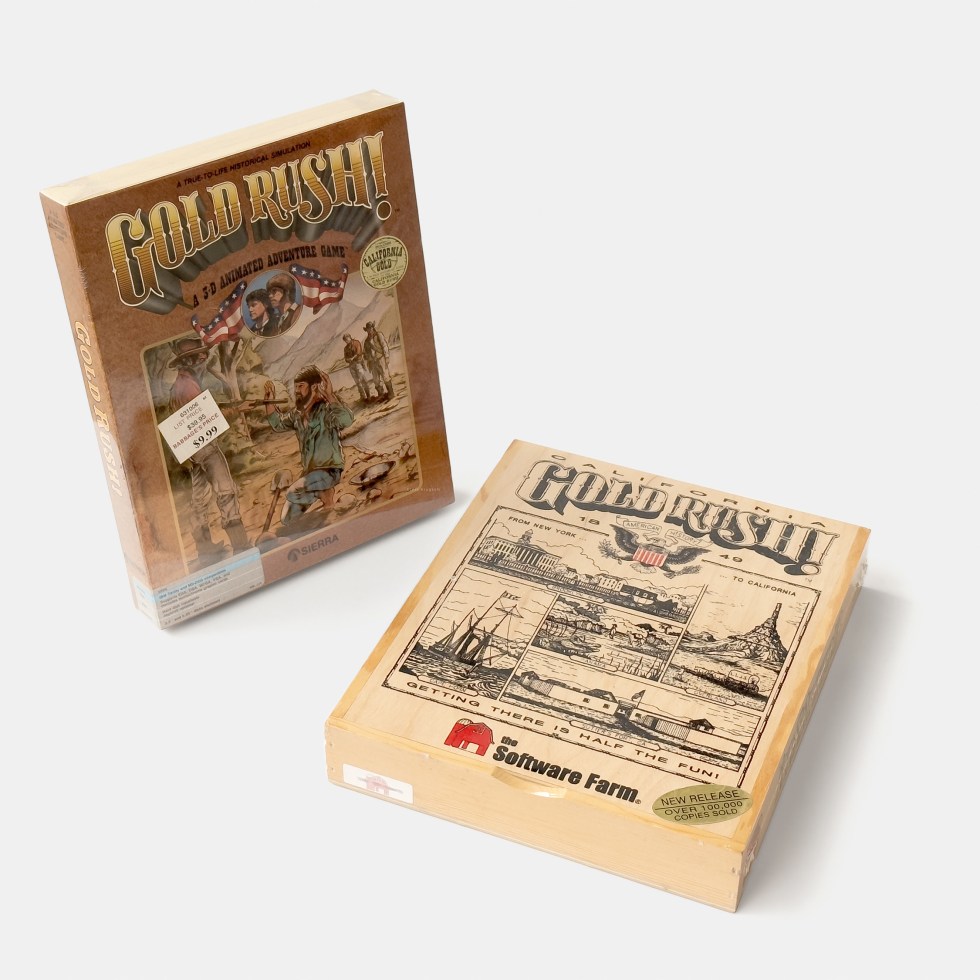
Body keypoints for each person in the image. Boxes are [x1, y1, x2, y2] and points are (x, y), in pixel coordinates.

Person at [167, 337, 249, 559]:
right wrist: (237, 410)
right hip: (204, 446)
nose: (204, 358)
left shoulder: (181, 384)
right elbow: (204, 417)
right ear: (188, 361)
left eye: (203, 354)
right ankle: (241, 546)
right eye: (199, 356)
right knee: (226, 491)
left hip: (193, 450)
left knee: (199, 498)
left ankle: (205, 550)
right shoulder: (188, 386)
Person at [263, 364, 354, 528]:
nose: (297, 391)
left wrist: (330, 395)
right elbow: (278, 424)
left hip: (329, 471)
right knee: (287, 519)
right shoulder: (297, 415)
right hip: (309, 475)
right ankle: (321, 493)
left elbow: (346, 420)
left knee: (292, 492)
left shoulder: (327, 409)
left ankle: (327, 496)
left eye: (301, 386)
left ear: (314, 387)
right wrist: (269, 400)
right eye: (296, 387)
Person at [363, 320, 394, 401]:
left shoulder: (379, 335)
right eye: (368, 329)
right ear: (366, 330)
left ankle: (391, 394)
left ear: (373, 328)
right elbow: (365, 353)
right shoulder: (366, 341)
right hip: (373, 362)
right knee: (376, 379)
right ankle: (381, 395)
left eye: (370, 328)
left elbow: (384, 346)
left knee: (385, 376)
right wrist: (368, 360)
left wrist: (387, 356)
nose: (369, 330)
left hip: (381, 359)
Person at [342, 332, 371, 402]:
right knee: (357, 382)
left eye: (347, 339)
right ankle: (363, 397)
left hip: (358, 363)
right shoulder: (345, 348)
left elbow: (358, 352)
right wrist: (348, 359)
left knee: (363, 380)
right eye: (345, 340)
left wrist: (352, 358)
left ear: (350, 337)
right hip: (351, 366)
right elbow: (345, 358)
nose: (346, 341)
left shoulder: (356, 343)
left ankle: (368, 396)